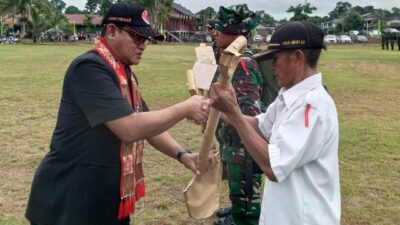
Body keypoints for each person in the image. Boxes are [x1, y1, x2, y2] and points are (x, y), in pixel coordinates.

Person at [25, 2, 217, 225]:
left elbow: (147, 124)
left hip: (104, 195)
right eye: (137, 37)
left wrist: (182, 155)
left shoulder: (124, 74)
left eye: (145, 39)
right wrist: (185, 108)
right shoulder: (89, 68)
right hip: (71, 198)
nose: (143, 45)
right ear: (111, 31)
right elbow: (130, 128)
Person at [210, 21, 341, 225]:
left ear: (297, 57)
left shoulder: (312, 105)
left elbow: (273, 166)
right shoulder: (289, 96)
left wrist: (234, 113)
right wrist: (220, 111)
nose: (271, 67)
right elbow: (258, 125)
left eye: (275, 59)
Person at [211, 4, 264, 225]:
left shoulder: (243, 65)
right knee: (237, 188)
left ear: (234, 34)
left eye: (219, 29)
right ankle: (236, 211)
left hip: (244, 146)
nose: (214, 33)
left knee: (247, 196)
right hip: (233, 142)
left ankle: (243, 218)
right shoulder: (231, 60)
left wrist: (213, 112)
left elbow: (249, 113)